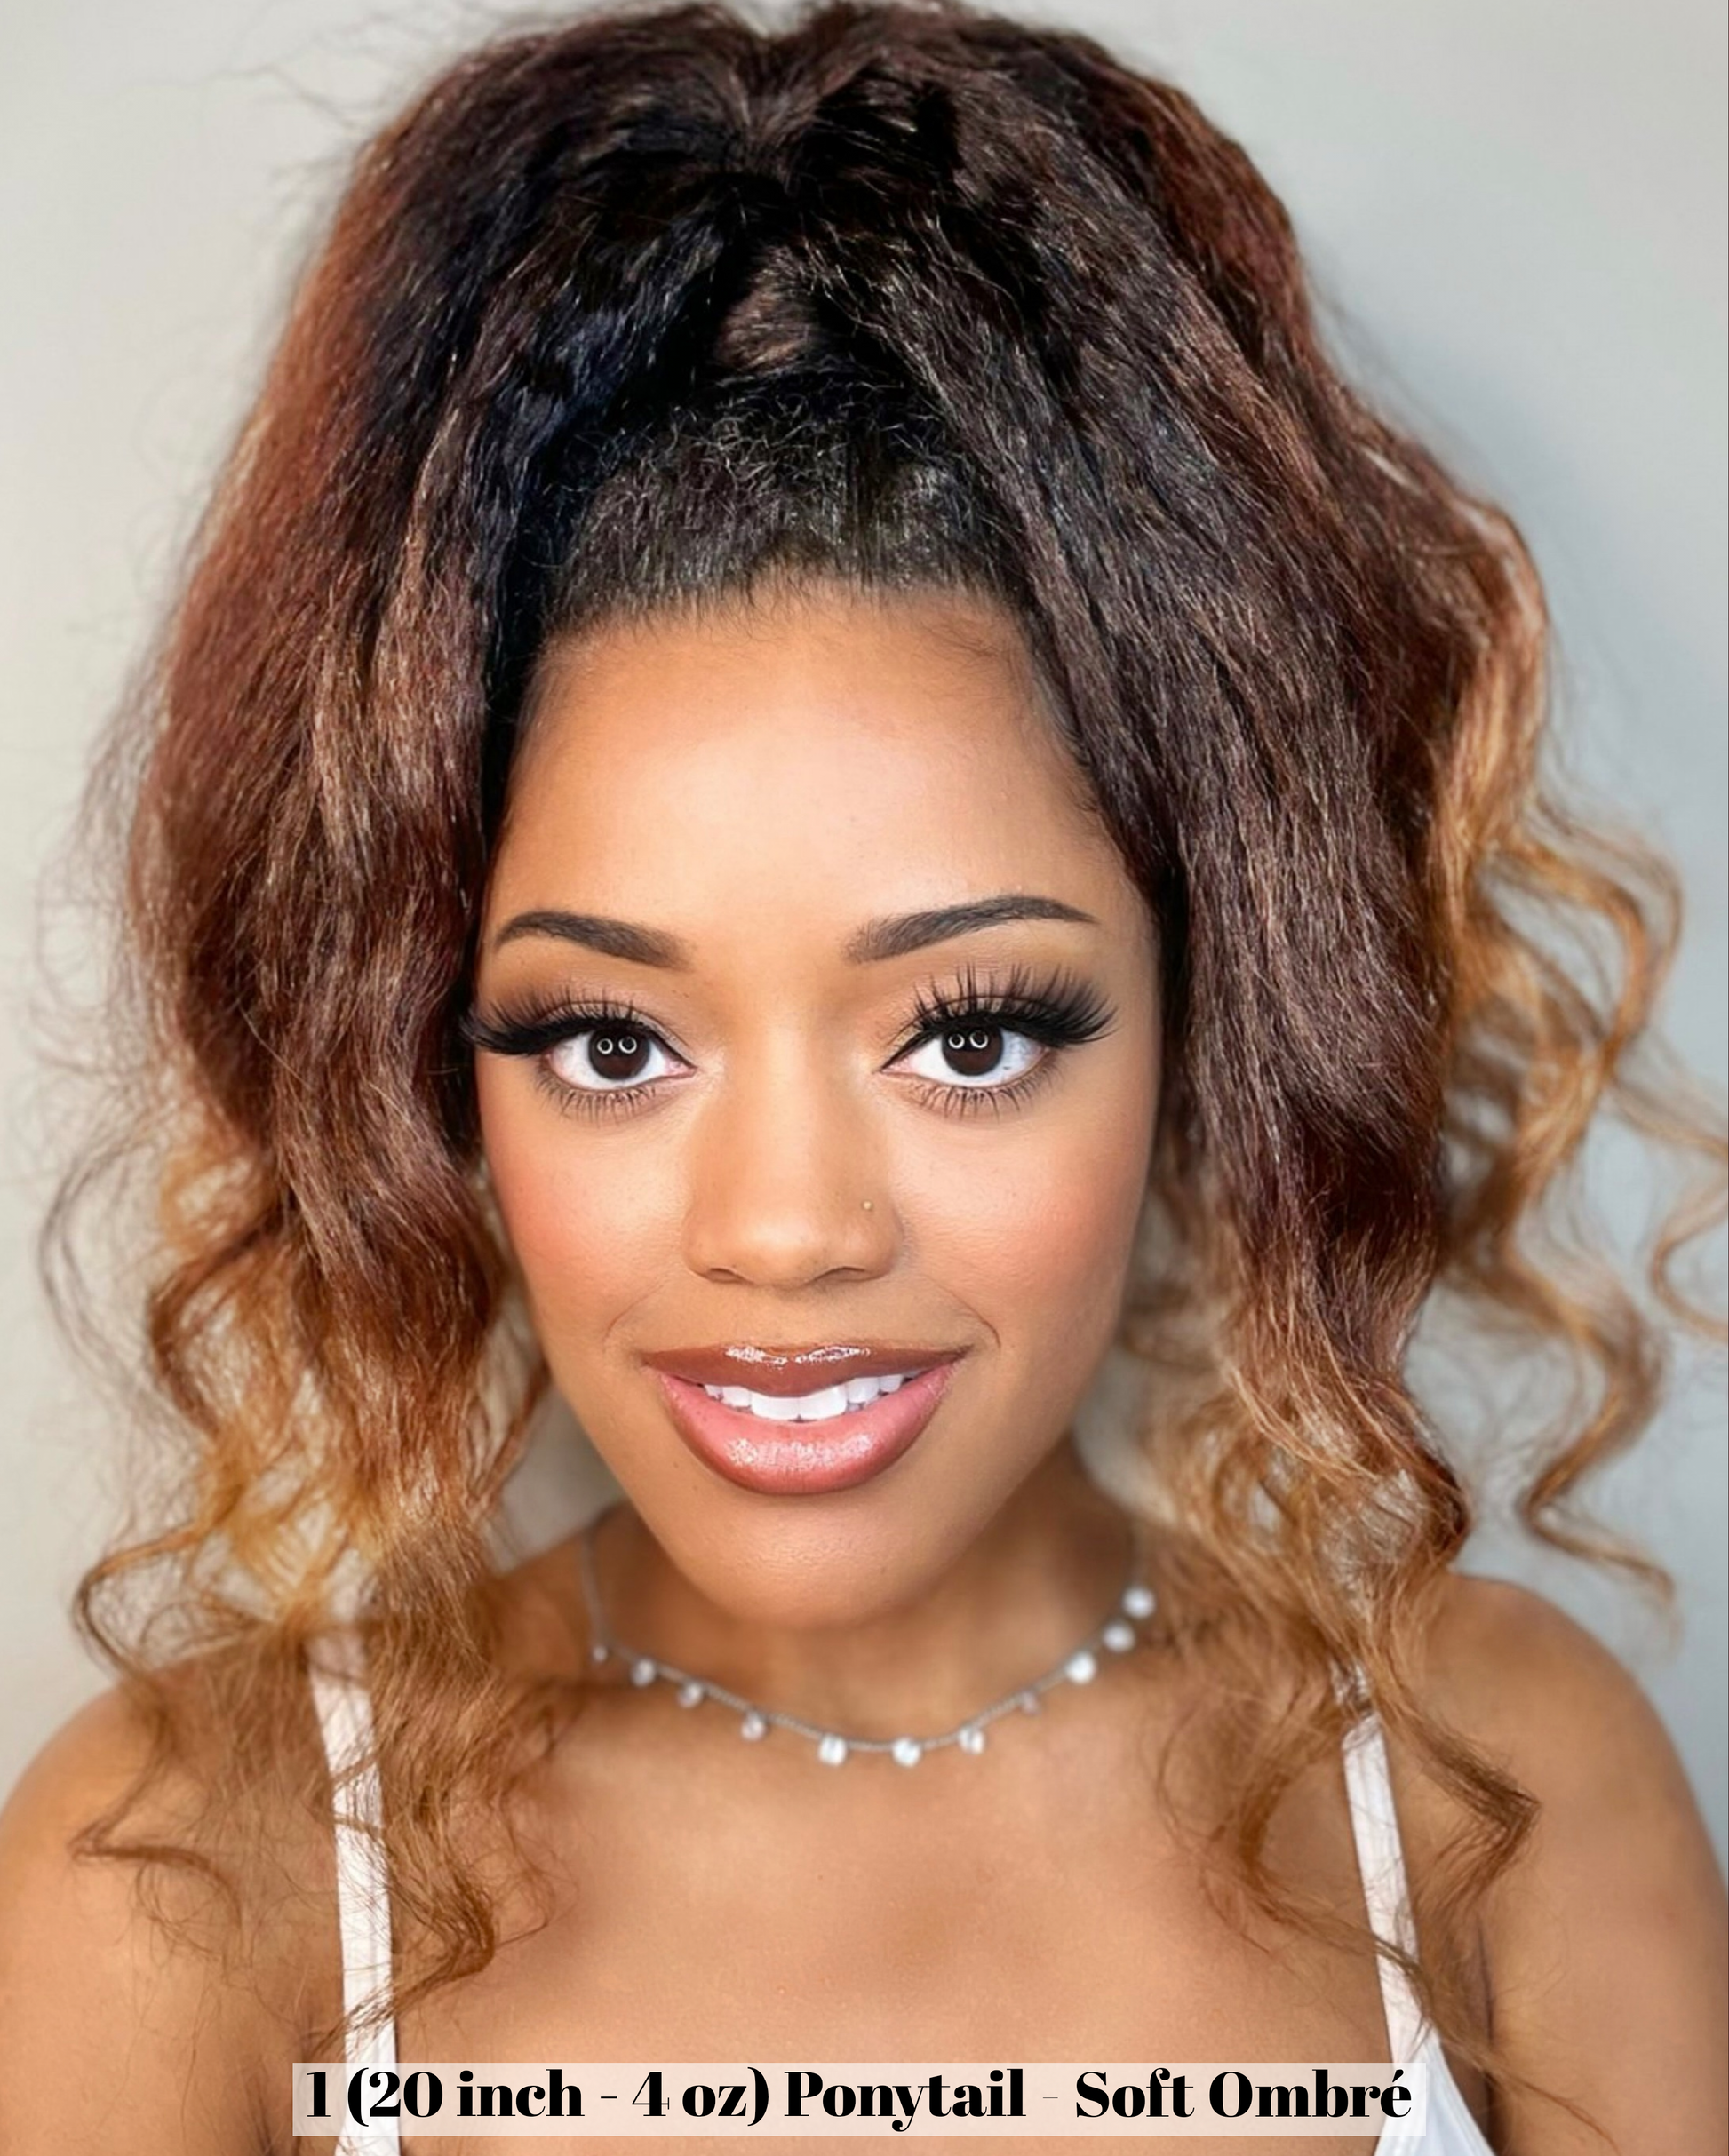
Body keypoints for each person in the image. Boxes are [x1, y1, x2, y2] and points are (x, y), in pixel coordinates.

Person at [0, 2, 1722, 2150]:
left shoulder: (1492, 1795)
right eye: (609, 1041)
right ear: (426, 1072)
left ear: (1209, 1024)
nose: (787, 1228)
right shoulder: (184, 1880)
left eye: (970, 1033)